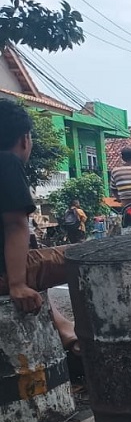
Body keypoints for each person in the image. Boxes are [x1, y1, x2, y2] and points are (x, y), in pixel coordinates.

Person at [0, 100, 83, 375]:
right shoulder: (7, 162)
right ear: (25, 139)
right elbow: (15, 225)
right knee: (88, 257)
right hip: (2, 273)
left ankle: (68, 335)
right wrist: (17, 284)